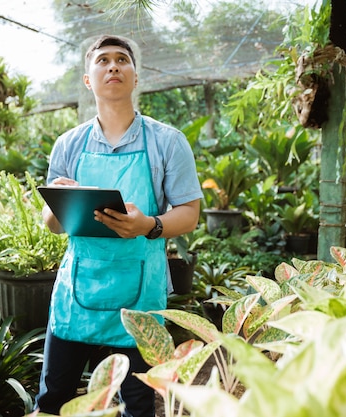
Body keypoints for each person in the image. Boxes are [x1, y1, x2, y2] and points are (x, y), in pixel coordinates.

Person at [32, 35, 202, 417]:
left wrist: (149, 225)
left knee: (138, 403)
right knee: (53, 398)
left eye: (122, 60)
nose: (113, 66)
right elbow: (53, 226)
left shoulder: (167, 142)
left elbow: (189, 213)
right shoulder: (68, 145)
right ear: (89, 80)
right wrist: (58, 201)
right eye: (103, 61)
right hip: (78, 289)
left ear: (136, 77)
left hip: (140, 291)